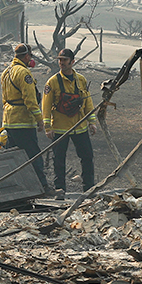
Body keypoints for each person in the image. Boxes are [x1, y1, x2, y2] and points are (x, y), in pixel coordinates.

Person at [42, 47, 95, 196]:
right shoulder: (52, 82)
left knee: (87, 157)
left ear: (72, 62)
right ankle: (60, 189)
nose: (61, 63)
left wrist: (92, 122)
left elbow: (88, 102)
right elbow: (45, 106)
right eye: (60, 60)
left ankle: (89, 188)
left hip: (80, 127)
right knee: (58, 160)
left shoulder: (81, 80)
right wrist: (48, 127)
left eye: (64, 60)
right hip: (60, 128)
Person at [1, 43, 49, 189]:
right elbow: (30, 100)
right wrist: (40, 120)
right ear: (27, 56)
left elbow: (4, 99)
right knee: (33, 156)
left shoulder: (6, 72)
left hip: (9, 121)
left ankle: (13, 188)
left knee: (12, 158)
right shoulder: (24, 73)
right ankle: (42, 187)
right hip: (22, 121)